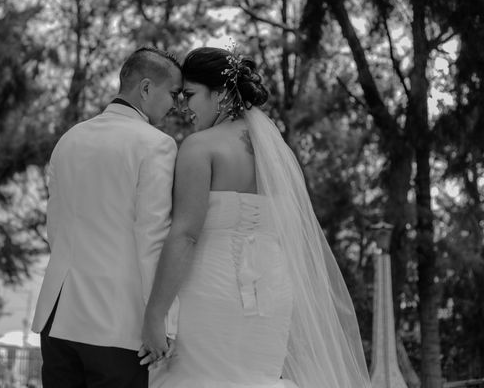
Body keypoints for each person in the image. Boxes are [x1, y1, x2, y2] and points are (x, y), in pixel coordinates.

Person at [140, 46, 372, 388]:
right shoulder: (274, 151)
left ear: (220, 94)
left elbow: (185, 234)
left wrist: (155, 314)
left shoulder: (200, 147)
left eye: (190, 95)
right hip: (273, 289)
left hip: (211, 287)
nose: (183, 106)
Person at [31, 46, 183, 388]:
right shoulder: (157, 145)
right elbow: (153, 238)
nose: (175, 105)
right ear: (146, 88)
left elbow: (54, 229)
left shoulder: (70, 139)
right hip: (116, 321)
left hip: (57, 319)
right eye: (172, 94)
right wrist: (163, 320)